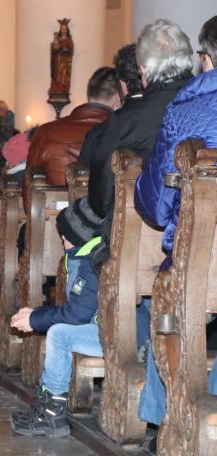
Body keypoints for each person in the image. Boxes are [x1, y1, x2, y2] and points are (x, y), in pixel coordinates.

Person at [134, 15, 217, 429]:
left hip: (203, 259)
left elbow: (156, 203)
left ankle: (158, 419)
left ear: (206, 59)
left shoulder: (184, 109)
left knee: (166, 296)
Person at [83, 25, 194, 270]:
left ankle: (79, 307)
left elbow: (100, 192)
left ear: (143, 70)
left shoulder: (127, 119)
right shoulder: (205, 104)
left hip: (139, 241)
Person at [8, 198, 103, 437]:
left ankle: (52, 413)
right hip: (110, 329)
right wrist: (36, 315)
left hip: (113, 335)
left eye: (65, 234)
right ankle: (46, 406)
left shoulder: (93, 262)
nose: (61, 239)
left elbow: (78, 314)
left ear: (79, 236)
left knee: (59, 335)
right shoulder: (90, 254)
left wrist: (35, 319)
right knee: (60, 329)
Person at [26, 67, 120, 188]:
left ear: (90, 93)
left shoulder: (46, 132)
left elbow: (29, 188)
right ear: (117, 99)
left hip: (55, 206)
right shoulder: (122, 132)